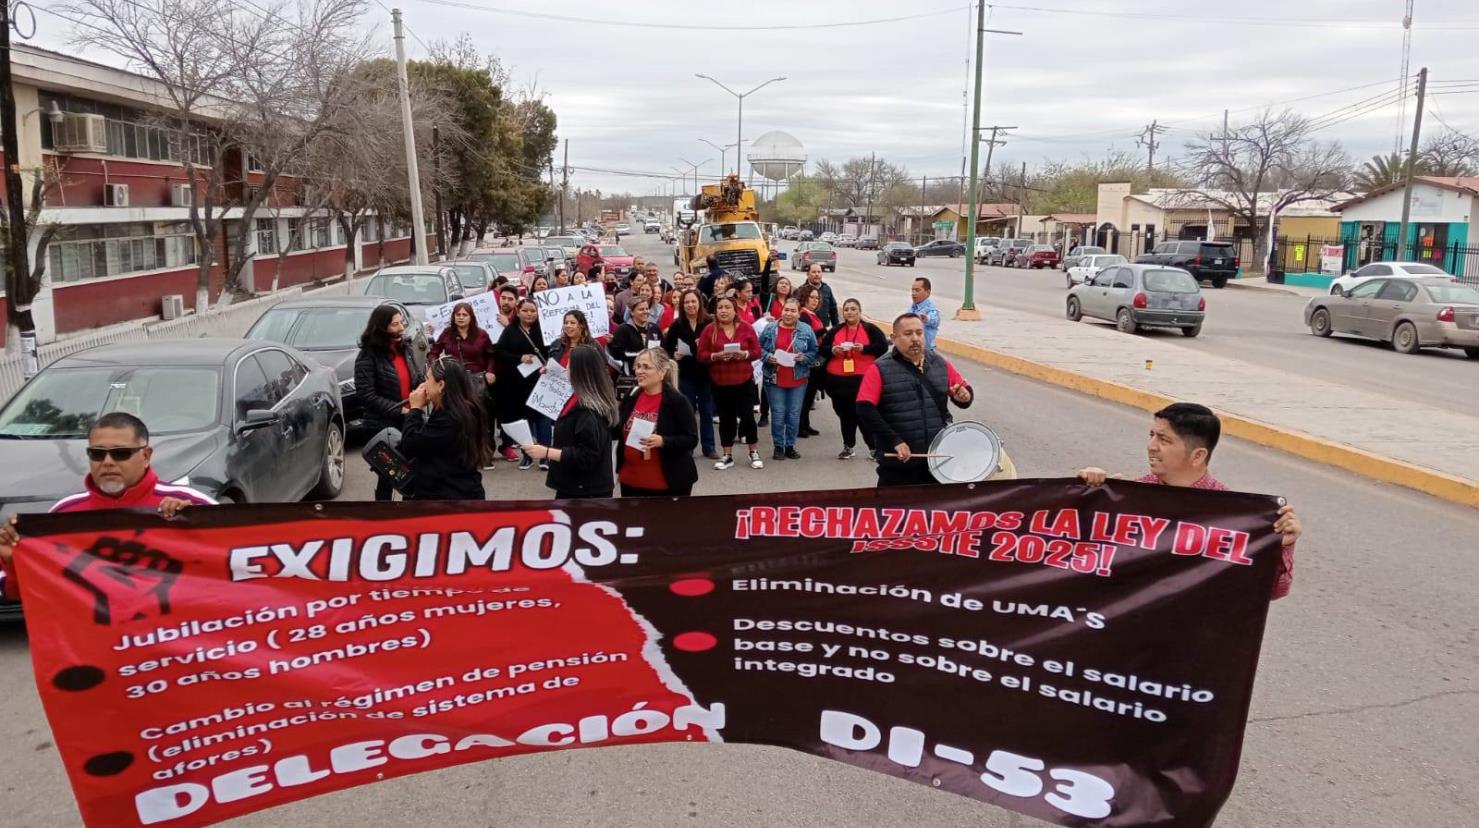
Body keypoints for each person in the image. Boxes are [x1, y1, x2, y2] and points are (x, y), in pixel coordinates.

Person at [1076, 402, 1303, 600]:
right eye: (1151, 435)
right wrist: (1086, 498)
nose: (1151, 446)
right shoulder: (1129, 498)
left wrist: (1282, 545)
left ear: (1198, 456)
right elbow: (1078, 563)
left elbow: (1273, 591)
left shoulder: (1231, 517)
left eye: (1163, 439)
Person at [0, 412, 215, 600]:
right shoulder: (64, 515)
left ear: (146, 455)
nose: (108, 462)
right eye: (97, 454)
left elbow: (230, 571)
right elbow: (29, 593)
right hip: (97, 642)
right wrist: (14, 561)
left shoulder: (191, 504)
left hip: (167, 639)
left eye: (120, 453)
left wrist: (195, 523)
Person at [856, 313, 974, 487]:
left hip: (937, 462)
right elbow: (864, 408)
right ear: (894, 338)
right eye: (908, 333)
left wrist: (964, 396)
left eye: (919, 333)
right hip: (898, 463)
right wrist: (894, 440)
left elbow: (965, 394)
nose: (915, 339)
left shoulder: (940, 363)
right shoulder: (880, 368)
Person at [524, 346, 618, 499]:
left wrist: (546, 452)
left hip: (586, 490)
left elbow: (587, 455)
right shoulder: (578, 397)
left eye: (568, 365)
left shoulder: (588, 411)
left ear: (579, 371)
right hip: (575, 484)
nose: (565, 369)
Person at [356, 304, 425, 500]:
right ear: (381, 327)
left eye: (401, 323)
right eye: (395, 325)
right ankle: (384, 516)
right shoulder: (367, 356)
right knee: (388, 476)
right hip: (382, 426)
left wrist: (425, 386)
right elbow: (366, 395)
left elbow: (416, 377)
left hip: (410, 421)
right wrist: (400, 411)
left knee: (413, 473)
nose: (401, 328)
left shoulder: (405, 348)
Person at [400, 358, 492, 500]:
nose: (423, 385)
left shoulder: (450, 417)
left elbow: (410, 445)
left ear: (441, 385)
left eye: (427, 379)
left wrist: (415, 409)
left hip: (448, 497)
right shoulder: (463, 407)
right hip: (458, 490)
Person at [617, 348, 700, 497]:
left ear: (662, 372)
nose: (639, 371)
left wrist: (663, 441)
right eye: (638, 366)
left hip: (666, 483)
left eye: (646, 367)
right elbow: (618, 426)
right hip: (630, 480)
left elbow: (691, 439)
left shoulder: (677, 401)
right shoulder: (632, 394)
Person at [697, 295, 763, 471]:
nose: (723, 311)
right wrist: (715, 356)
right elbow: (701, 354)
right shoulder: (709, 330)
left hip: (744, 380)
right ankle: (727, 455)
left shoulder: (746, 328)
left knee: (748, 417)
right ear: (715, 311)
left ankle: (753, 452)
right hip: (720, 382)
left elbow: (757, 351)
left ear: (735, 311)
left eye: (727, 307)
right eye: (720, 308)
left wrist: (745, 354)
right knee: (726, 419)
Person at [819, 299, 889, 459]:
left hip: (863, 380)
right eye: (846, 310)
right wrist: (833, 350)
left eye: (853, 309)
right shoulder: (836, 330)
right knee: (845, 416)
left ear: (860, 311)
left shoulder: (870, 329)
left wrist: (864, 349)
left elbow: (883, 347)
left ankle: (873, 448)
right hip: (838, 381)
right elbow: (822, 349)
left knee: (863, 415)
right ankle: (848, 446)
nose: (850, 312)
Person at [759, 297, 819, 461]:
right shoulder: (770, 328)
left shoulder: (806, 330)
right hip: (774, 378)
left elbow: (814, 350)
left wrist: (804, 357)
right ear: (782, 310)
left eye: (793, 311)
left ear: (799, 313)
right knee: (778, 413)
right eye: (786, 310)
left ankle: (790, 445)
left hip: (798, 379)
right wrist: (767, 357)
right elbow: (759, 347)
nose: (789, 313)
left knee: (793, 414)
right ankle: (778, 446)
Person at [495, 298, 551, 471]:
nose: (529, 314)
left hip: (541, 380)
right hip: (518, 382)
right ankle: (528, 455)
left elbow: (554, 350)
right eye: (525, 311)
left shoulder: (544, 330)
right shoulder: (510, 331)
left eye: (532, 311)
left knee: (543, 418)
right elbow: (500, 352)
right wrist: (519, 358)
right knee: (524, 419)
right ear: (517, 312)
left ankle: (545, 456)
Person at [663, 288, 718, 459]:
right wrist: (674, 355)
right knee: (688, 412)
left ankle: (709, 447)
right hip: (685, 374)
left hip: (706, 374)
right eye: (686, 302)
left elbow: (719, 344)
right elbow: (666, 349)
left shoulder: (709, 322)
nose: (690, 305)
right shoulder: (677, 325)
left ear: (700, 303)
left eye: (693, 301)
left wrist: (705, 344)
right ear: (682, 305)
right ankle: (688, 447)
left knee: (707, 412)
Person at [793, 284, 827, 439]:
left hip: (816, 359)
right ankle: (800, 426)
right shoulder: (803, 315)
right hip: (807, 359)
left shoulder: (812, 314)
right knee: (805, 395)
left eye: (817, 298)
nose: (814, 300)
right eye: (811, 297)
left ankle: (805, 424)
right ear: (804, 297)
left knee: (810, 394)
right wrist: (825, 331)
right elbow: (806, 335)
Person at [610, 297, 664, 379]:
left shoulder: (654, 328)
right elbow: (616, 353)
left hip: (653, 375)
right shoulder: (624, 329)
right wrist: (639, 355)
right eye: (641, 309)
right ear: (632, 312)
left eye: (647, 309)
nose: (645, 312)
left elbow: (663, 350)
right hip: (632, 375)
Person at [910, 277, 942, 352]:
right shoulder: (911, 308)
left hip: (926, 352)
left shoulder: (931, 309)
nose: (913, 293)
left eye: (917, 290)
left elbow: (934, 320)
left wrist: (926, 318)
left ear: (928, 292)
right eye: (912, 290)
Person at [804, 263, 840, 328]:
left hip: (823, 329)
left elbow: (833, 310)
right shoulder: (801, 290)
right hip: (807, 329)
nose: (817, 274)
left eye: (819, 272)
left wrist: (836, 328)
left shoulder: (827, 289)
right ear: (807, 274)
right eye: (813, 272)